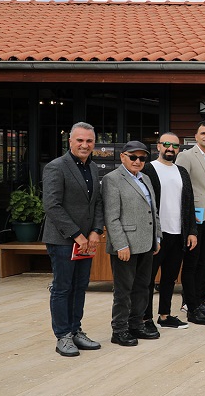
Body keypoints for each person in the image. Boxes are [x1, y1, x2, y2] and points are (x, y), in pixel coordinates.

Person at [43, 122, 105, 357]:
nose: (84, 145)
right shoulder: (56, 167)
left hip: (86, 241)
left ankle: (75, 330)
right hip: (63, 240)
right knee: (62, 288)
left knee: (80, 287)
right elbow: (52, 206)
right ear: (70, 141)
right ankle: (63, 336)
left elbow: (97, 202)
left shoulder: (93, 167)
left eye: (89, 141)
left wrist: (95, 231)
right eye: (80, 140)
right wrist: (77, 235)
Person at [102, 141, 161, 346]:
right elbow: (111, 217)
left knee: (143, 287)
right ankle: (119, 330)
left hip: (146, 243)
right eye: (133, 157)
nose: (138, 161)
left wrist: (157, 237)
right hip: (125, 245)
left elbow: (153, 211)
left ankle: (136, 325)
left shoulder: (145, 178)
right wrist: (121, 245)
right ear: (122, 157)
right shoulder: (112, 179)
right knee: (123, 289)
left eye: (142, 158)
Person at [142, 133, 198, 330]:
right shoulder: (148, 169)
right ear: (158, 146)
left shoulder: (181, 171)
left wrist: (192, 231)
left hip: (178, 233)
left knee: (170, 278)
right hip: (156, 234)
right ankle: (145, 318)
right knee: (148, 279)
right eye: (166, 144)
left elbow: (189, 204)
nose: (171, 148)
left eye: (175, 146)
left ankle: (164, 316)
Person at [175, 120, 205, 321]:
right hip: (194, 217)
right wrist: (186, 217)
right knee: (192, 263)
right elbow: (180, 187)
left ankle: (201, 301)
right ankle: (190, 305)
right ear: (196, 136)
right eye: (203, 133)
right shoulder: (185, 156)